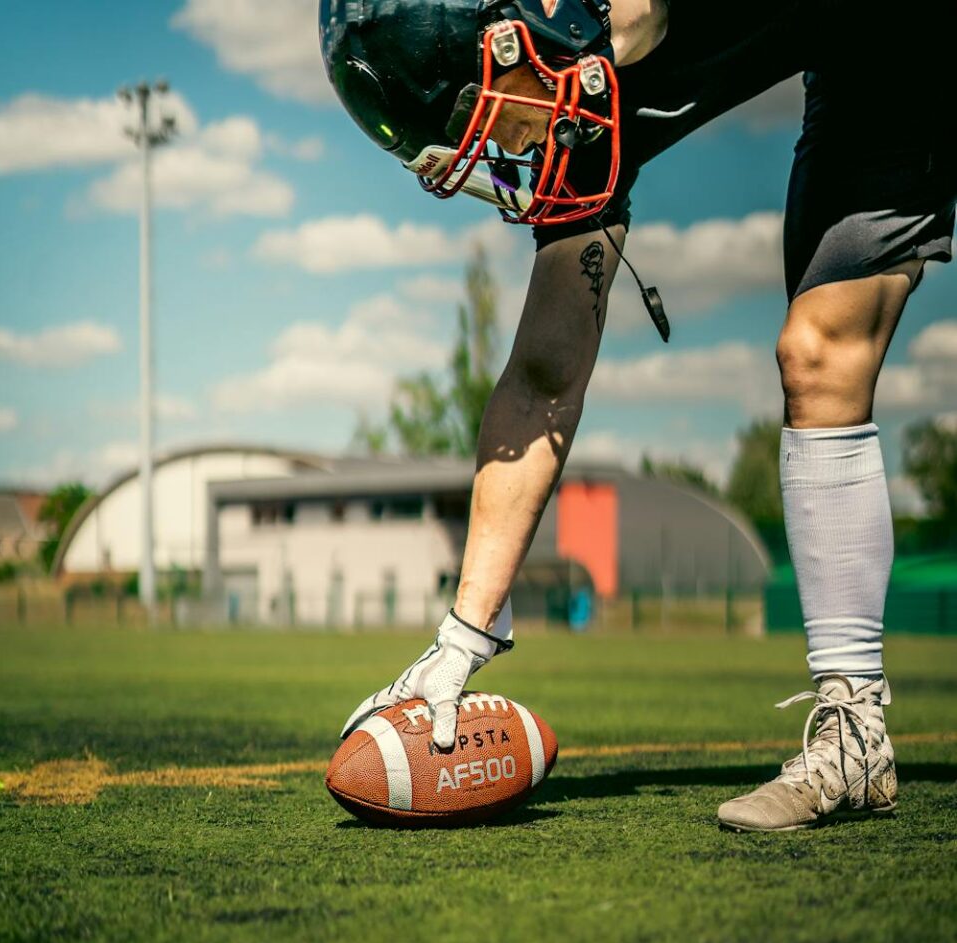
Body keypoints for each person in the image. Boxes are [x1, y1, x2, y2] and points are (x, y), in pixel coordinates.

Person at [319, 0, 957, 831]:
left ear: (515, 33)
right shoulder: (575, 99)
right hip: (839, 46)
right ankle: (856, 737)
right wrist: (460, 639)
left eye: (486, 115)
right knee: (817, 353)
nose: (507, 150)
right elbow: (545, 376)